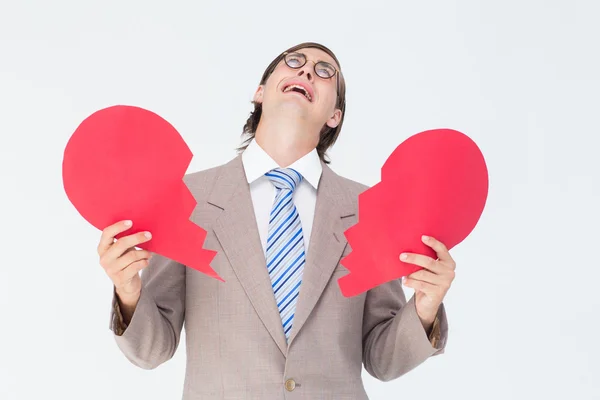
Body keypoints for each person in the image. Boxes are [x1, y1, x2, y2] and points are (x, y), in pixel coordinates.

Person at [99, 42, 454, 399]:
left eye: (325, 70)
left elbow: (383, 359)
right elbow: (153, 349)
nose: (307, 71)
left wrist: (425, 308)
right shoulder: (189, 199)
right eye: (294, 61)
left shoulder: (368, 209)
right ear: (260, 92)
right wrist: (128, 293)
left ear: (335, 115)